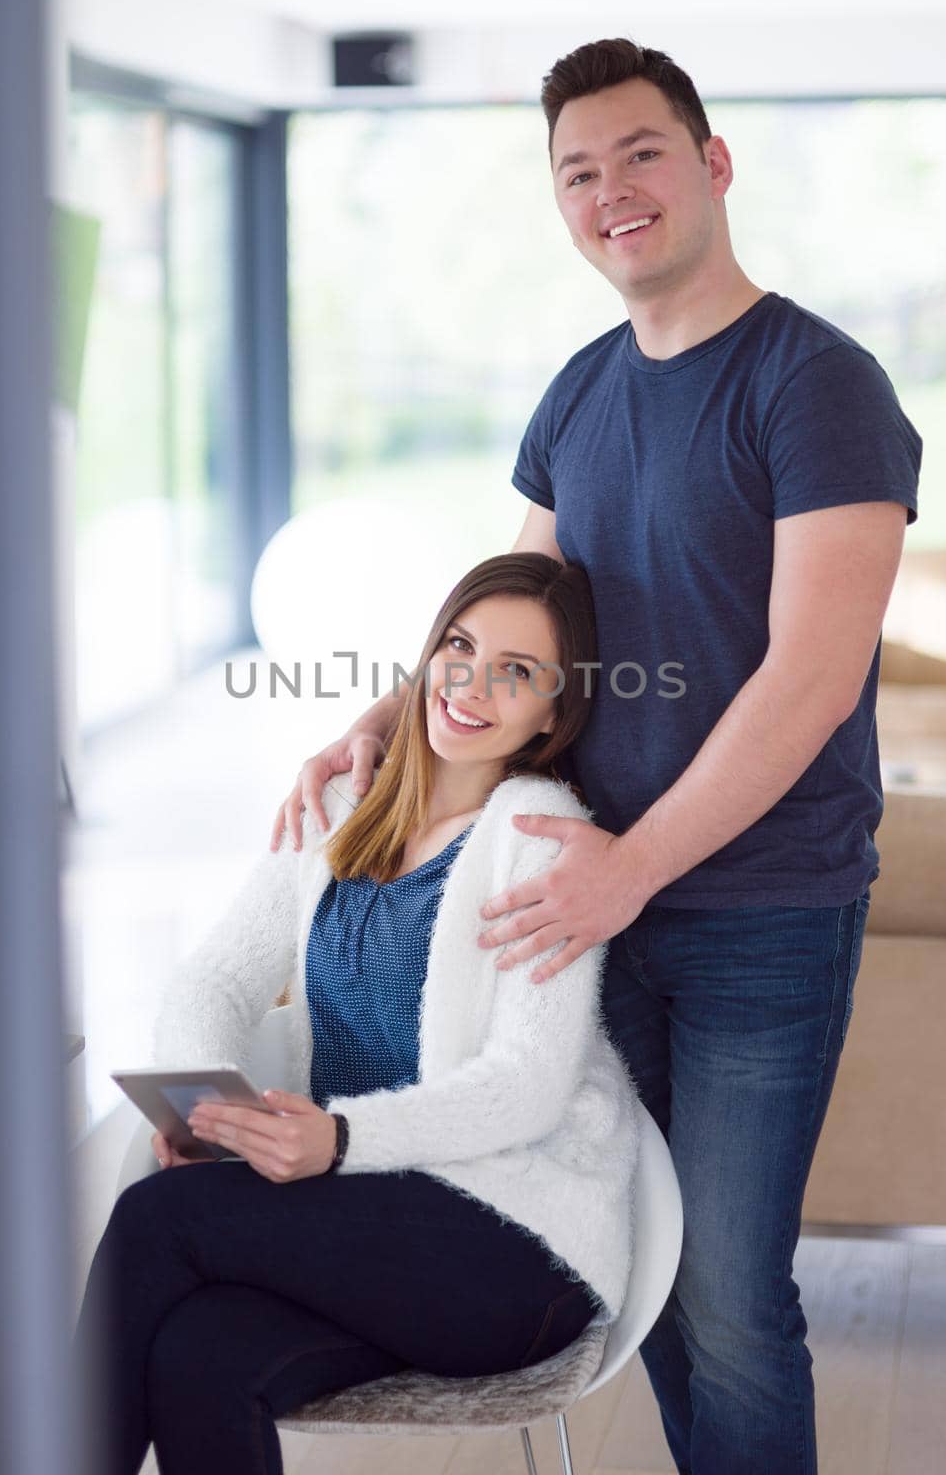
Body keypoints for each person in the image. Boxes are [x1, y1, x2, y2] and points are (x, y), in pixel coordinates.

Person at [272, 40, 923, 1475]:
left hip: (761, 915)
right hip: (585, 909)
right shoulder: (579, 392)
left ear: (711, 164)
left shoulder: (818, 385)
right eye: (579, 171)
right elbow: (510, 620)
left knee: (733, 1296)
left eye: (640, 153)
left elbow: (810, 681)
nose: (612, 191)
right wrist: (385, 719)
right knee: (647, 1271)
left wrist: (633, 869)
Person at [76, 552, 640, 1475]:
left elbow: (526, 1085)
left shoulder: (538, 839)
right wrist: (207, 1115)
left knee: (156, 1217)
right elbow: (215, 976)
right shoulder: (343, 801)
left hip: (516, 1247)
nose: (472, 685)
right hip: (363, 1227)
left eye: (517, 672)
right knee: (200, 1355)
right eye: (459, 648)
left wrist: (337, 1140)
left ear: (556, 711)